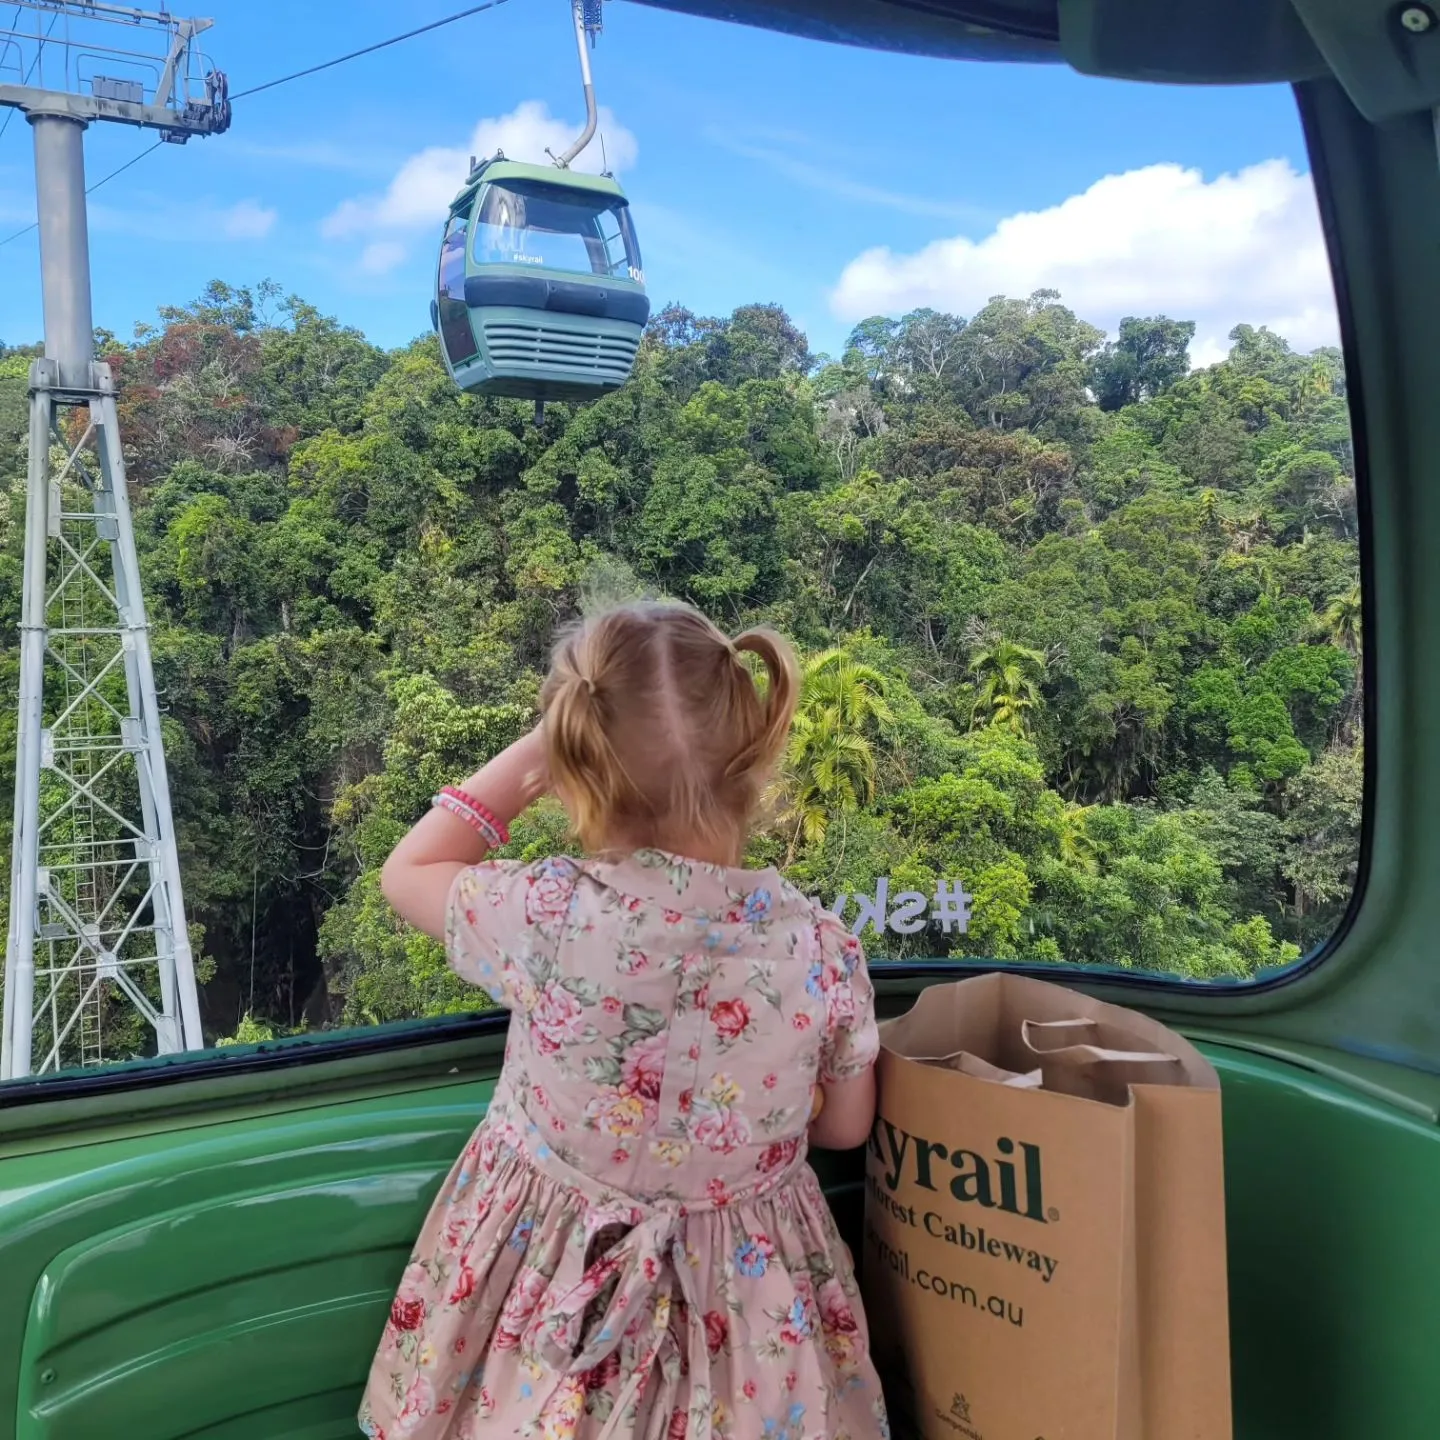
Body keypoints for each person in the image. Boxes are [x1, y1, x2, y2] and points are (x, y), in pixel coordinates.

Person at [359, 600, 889, 1440]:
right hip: (744, 1329)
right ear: (754, 763)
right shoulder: (823, 952)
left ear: (578, 765)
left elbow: (411, 868)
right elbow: (847, 1127)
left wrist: (544, 749)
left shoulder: (548, 913)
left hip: (546, 1308)